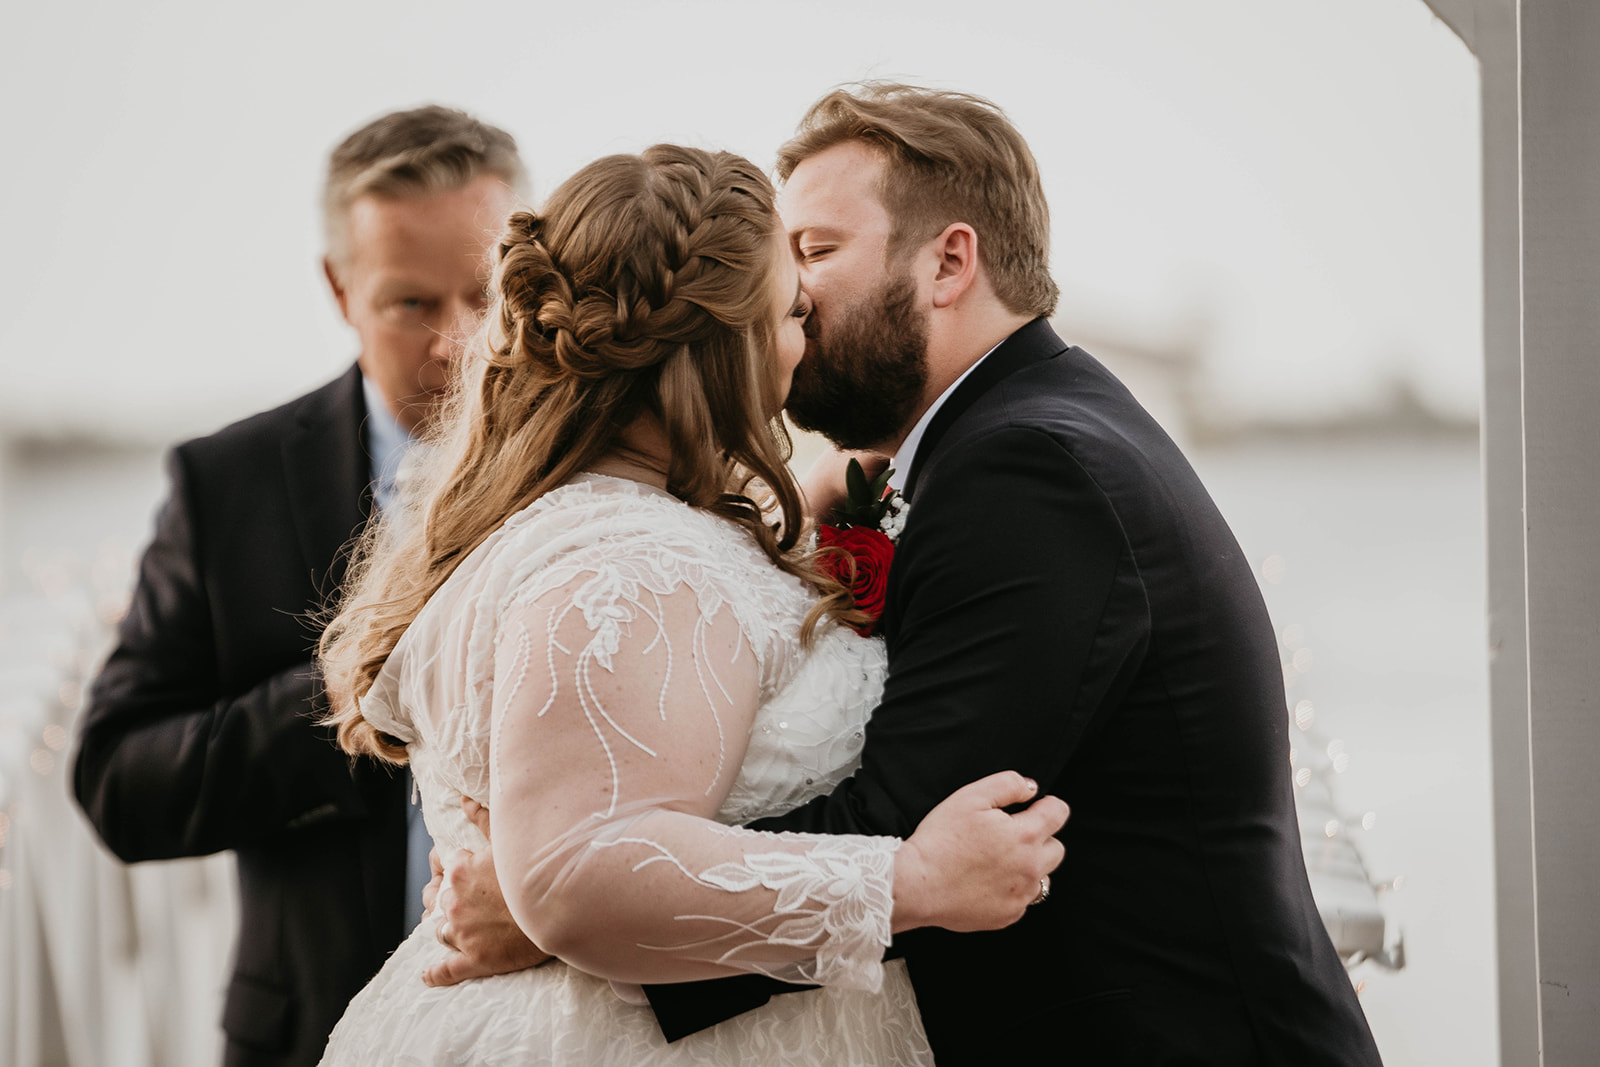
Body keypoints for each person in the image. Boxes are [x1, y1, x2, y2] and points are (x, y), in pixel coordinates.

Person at [440, 85, 1387, 1065]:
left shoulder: (1030, 472)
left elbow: (900, 815)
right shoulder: (1012, 438)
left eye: (814, 251)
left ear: (947, 261)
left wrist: (571, 901)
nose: (792, 294)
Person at [313, 143, 1066, 1066]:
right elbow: (578, 876)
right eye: (789, 311)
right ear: (725, 344)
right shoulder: (632, 563)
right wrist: (906, 880)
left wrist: (833, 487)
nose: (807, 337)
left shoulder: (628, 522)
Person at [71, 105, 524, 1066]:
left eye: (484, 294)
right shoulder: (226, 483)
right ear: (339, 285)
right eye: (411, 303)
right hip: (311, 1032)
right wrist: (337, 699)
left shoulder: (601, 465)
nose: (457, 342)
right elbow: (117, 779)